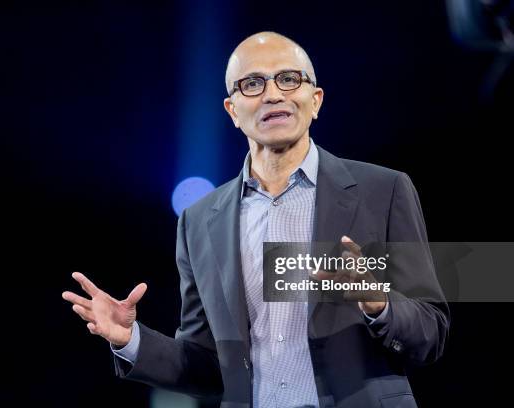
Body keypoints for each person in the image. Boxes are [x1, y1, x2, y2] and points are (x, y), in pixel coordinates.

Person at [62, 32, 449, 408]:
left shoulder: (382, 191)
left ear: (315, 100)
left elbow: (430, 332)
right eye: (252, 83)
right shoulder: (199, 222)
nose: (273, 93)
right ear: (232, 110)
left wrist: (377, 301)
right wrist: (131, 339)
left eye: (288, 78)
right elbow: (208, 365)